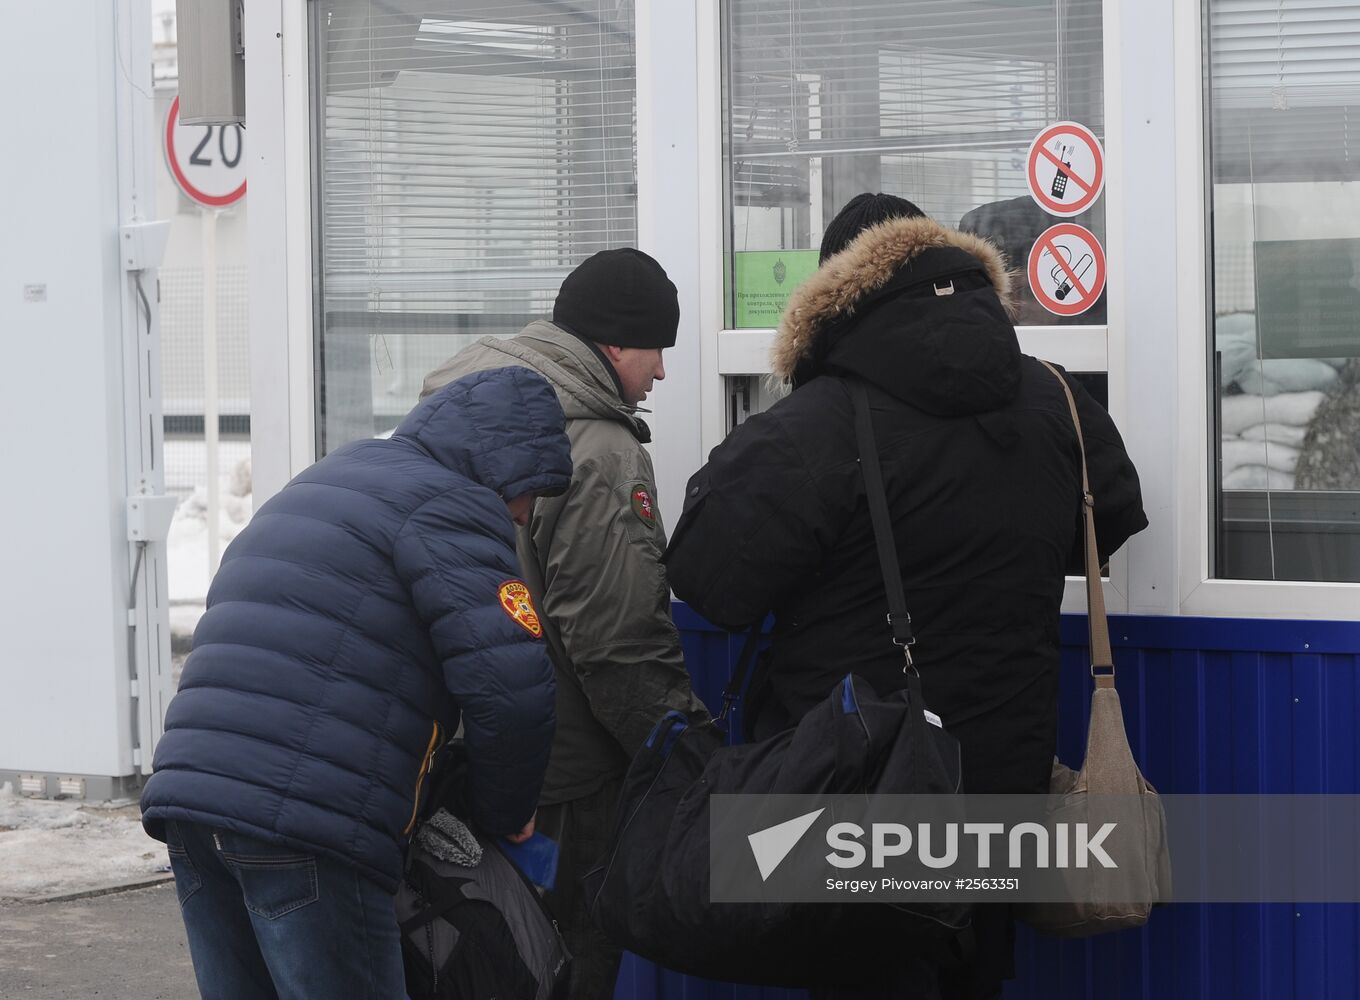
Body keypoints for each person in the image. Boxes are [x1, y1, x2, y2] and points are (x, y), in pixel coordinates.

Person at [663, 193, 1147, 999]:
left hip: (859, 781)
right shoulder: (1053, 396)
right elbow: (1113, 517)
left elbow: (713, 582)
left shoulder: (816, 424)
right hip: (1002, 776)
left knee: (862, 973)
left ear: (836, 292)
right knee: (973, 973)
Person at [140, 366, 574, 1000]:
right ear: (507, 467)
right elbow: (511, 688)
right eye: (532, 492)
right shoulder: (455, 504)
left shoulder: (325, 479)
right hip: (307, 823)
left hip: (192, 802)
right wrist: (505, 816)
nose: (527, 513)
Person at [421, 247, 712, 999]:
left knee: (482, 945)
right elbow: (617, 640)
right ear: (616, 345)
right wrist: (680, 750)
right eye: (657, 351)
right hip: (566, 781)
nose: (662, 374)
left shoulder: (455, 408)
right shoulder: (601, 449)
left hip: (457, 748)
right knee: (568, 954)